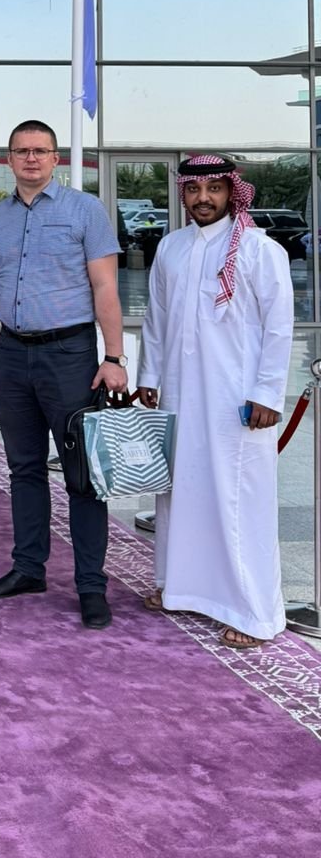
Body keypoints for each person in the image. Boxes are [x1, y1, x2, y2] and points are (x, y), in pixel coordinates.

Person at [0, 120, 126, 629]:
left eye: (40, 150)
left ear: (55, 158)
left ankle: (91, 586)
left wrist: (114, 357)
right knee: (24, 469)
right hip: (13, 356)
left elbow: (105, 286)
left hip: (70, 356)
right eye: (21, 151)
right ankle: (29, 568)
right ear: (9, 159)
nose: (30, 158)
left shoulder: (85, 209)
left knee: (81, 474)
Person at [137, 155, 294, 649]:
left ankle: (253, 612)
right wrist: (149, 375)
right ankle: (180, 587)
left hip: (237, 399)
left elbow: (279, 327)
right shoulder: (172, 247)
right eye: (194, 189)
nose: (203, 198)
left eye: (214, 189)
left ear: (231, 192)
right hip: (181, 390)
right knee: (179, 489)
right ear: (183, 193)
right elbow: (157, 318)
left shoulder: (259, 249)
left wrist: (267, 393)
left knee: (238, 497)